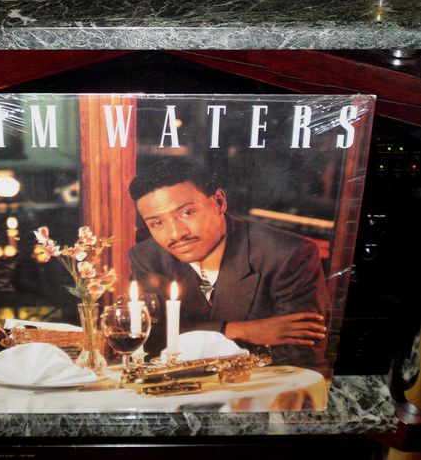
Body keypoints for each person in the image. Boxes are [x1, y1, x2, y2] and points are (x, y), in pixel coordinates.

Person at [128, 159, 331, 373]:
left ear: (219, 202)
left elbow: (299, 358)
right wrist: (234, 330)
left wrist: (195, 340)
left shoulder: (288, 255)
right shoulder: (147, 257)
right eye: (157, 223)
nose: (176, 234)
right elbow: (146, 342)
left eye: (187, 213)